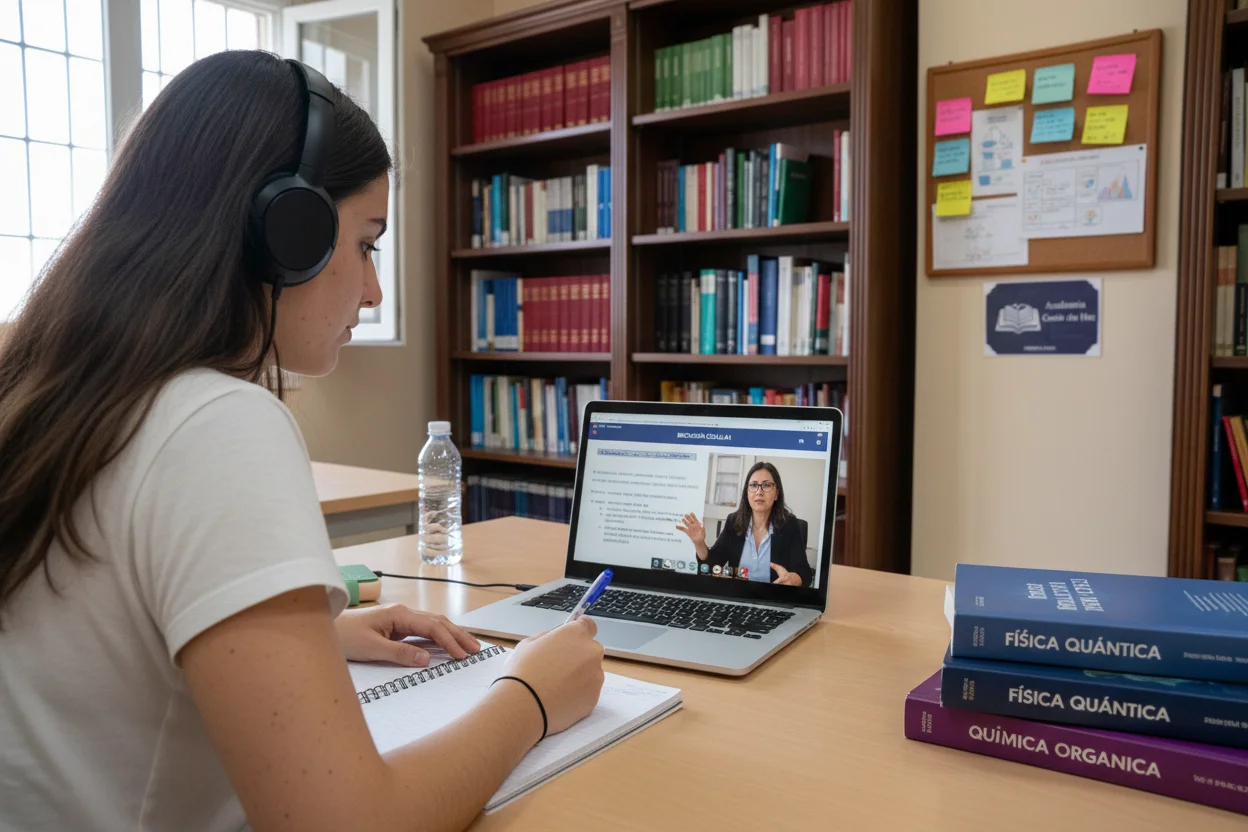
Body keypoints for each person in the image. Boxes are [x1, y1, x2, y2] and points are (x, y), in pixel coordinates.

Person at [0, 52, 604, 832]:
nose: (374, 289)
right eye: (366, 243)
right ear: (288, 230)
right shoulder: (216, 423)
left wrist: (310, 640)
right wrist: (528, 695)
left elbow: (91, 656)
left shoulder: (49, 395)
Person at [676, 461, 813, 587]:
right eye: (753, 485)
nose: (759, 491)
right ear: (747, 493)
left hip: (774, 599)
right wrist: (699, 543)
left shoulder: (789, 525)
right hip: (740, 596)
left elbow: (804, 573)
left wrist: (792, 579)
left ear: (777, 493)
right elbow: (711, 565)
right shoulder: (733, 522)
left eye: (766, 485)